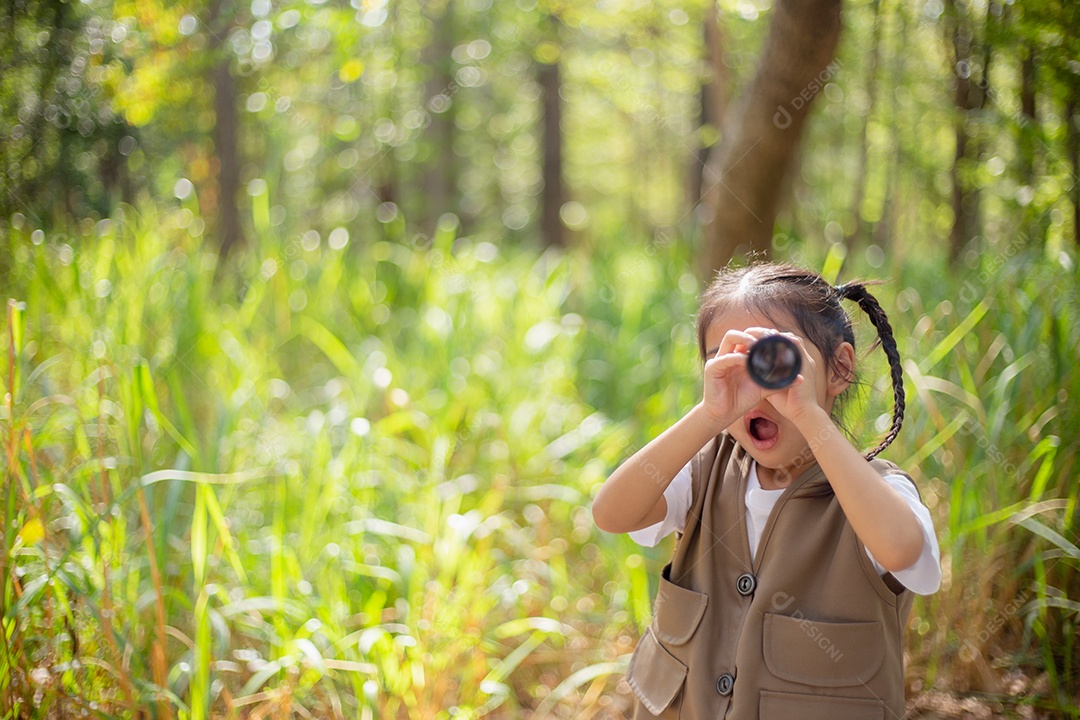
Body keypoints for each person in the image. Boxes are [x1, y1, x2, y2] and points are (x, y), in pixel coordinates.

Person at [592, 263, 941, 719]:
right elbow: (611, 514)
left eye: (778, 361)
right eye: (731, 361)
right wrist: (709, 414)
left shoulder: (877, 493)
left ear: (839, 369)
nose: (758, 388)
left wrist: (808, 415)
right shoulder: (702, 472)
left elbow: (901, 549)